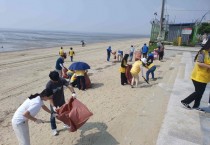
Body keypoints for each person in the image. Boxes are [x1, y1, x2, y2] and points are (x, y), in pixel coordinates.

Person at [181, 39, 210, 111]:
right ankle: (185, 101)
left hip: (205, 77)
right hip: (198, 76)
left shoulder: (209, 53)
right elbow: (199, 63)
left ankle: (196, 106)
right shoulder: (202, 52)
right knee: (199, 92)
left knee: (200, 93)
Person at [46, 71, 76, 136]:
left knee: (64, 112)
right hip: (53, 102)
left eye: (57, 80)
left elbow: (69, 85)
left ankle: (65, 124)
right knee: (53, 115)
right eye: (55, 81)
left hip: (62, 100)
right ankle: (54, 129)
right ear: (51, 79)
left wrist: (73, 93)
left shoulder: (61, 79)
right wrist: (53, 107)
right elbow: (50, 98)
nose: (57, 82)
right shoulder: (49, 85)